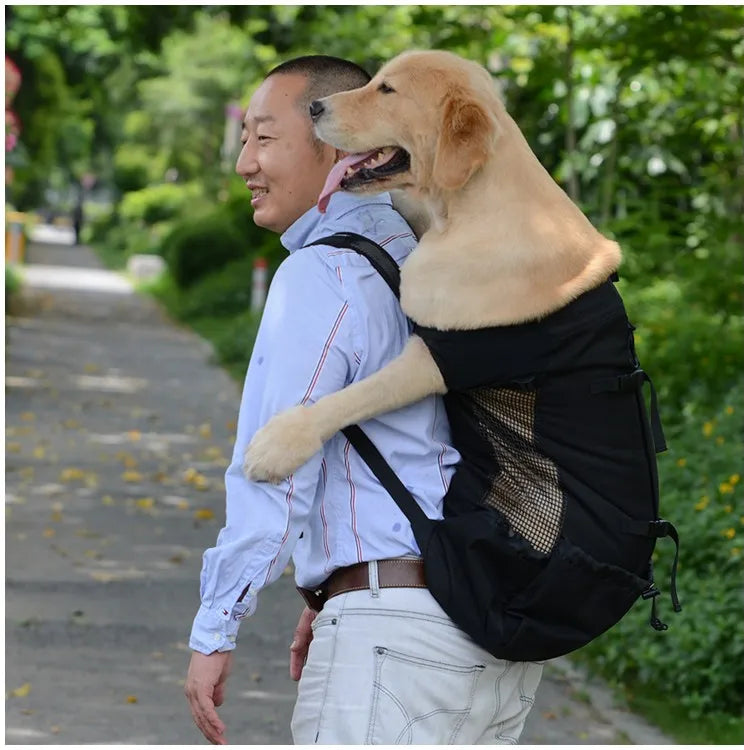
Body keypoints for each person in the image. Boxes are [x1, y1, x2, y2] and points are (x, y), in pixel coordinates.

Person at [184, 55, 543, 745]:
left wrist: (215, 628)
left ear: (337, 142)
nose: (243, 163)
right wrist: (333, 585)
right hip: (480, 628)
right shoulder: (426, 257)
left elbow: (276, 466)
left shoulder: (324, 272)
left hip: (396, 642)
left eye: (263, 137)